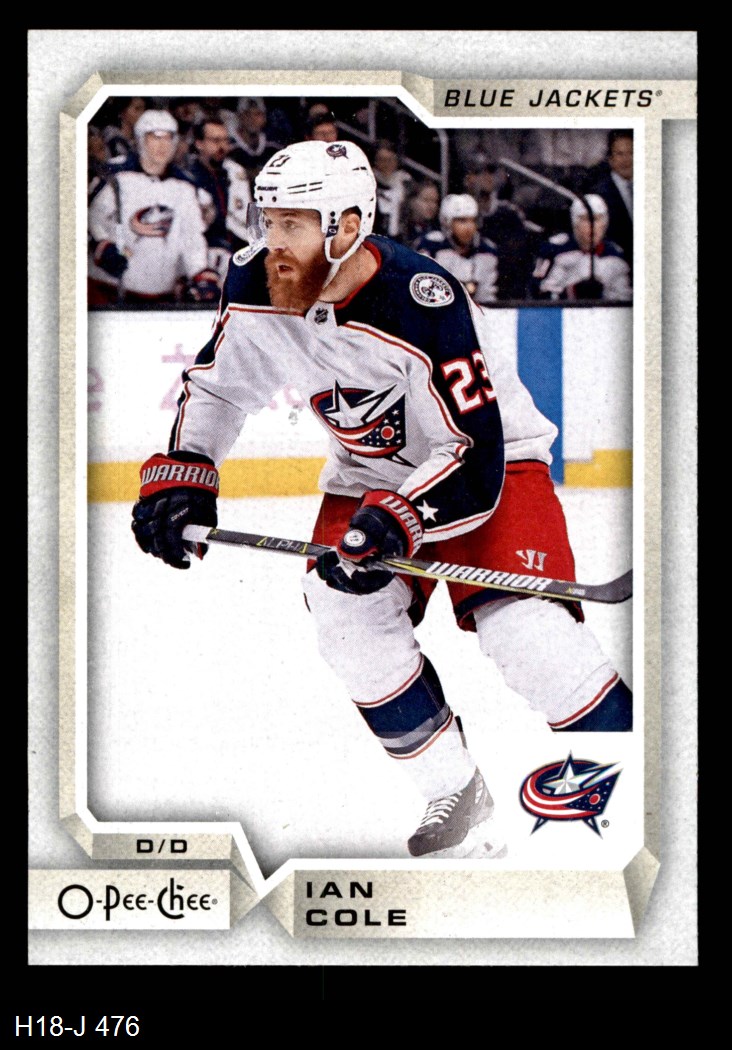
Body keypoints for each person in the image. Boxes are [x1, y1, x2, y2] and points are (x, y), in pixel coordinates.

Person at [131, 141, 632, 859]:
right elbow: (217, 387)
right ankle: (454, 790)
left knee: (526, 635)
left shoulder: (422, 299)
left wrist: (402, 519)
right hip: (367, 476)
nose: (273, 242)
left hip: (489, 468)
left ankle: (638, 788)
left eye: (293, 224)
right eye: (268, 221)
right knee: (344, 616)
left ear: (347, 226)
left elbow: (472, 449)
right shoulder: (254, 281)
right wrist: (187, 471)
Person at [88, 109, 220, 305]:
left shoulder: (185, 187)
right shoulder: (114, 175)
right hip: (107, 290)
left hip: (161, 297)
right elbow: (89, 218)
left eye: (168, 138)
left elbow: (192, 238)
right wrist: (101, 244)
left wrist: (200, 273)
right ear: (141, 139)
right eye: (155, 137)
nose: (163, 145)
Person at [531, 194, 632, 302]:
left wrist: (604, 295)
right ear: (575, 221)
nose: (592, 225)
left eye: (598, 219)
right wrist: (572, 291)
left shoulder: (615, 254)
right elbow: (536, 292)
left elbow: (624, 299)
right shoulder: (554, 249)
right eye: (585, 219)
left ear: (605, 223)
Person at [415, 194, 499, 304]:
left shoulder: (487, 251)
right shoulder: (431, 246)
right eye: (462, 221)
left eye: (473, 220)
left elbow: (486, 296)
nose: (469, 227)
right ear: (447, 222)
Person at [588, 130, 633, 264]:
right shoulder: (599, 194)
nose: (626, 160)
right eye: (620, 154)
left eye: (631, 153)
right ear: (610, 159)